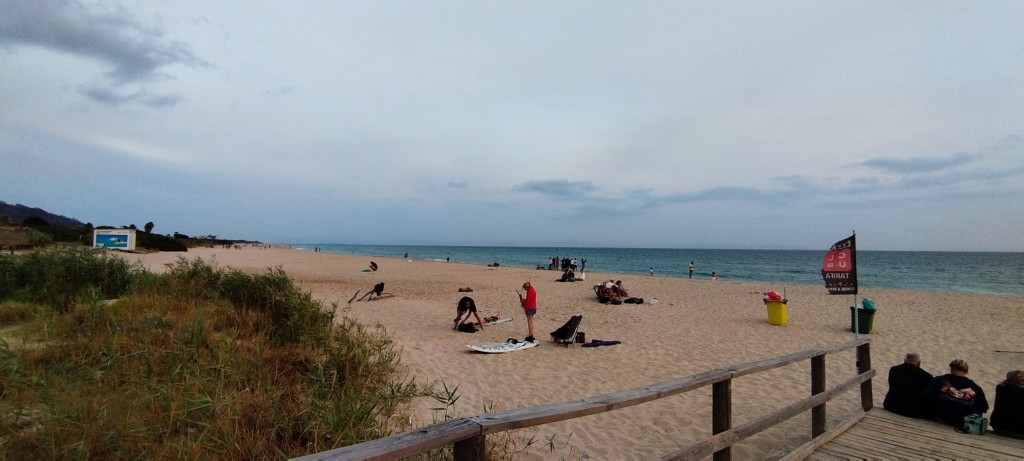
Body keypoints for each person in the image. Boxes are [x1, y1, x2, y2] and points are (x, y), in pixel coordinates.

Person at [923, 359, 989, 427]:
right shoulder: (976, 388)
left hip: (941, 417)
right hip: (963, 422)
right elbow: (984, 408)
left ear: (951, 368)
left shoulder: (939, 380)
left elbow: (926, 396)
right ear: (966, 372)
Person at [882, 353, 934, 419]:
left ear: (904, 361)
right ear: (919, 363)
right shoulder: (927, 377)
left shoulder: (894, 370)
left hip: (891, 406)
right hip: (912, 412)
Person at [990, 370, 1024, 438]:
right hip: (1018, 430)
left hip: (997, 426)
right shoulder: (1021, 392)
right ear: (1021, 380)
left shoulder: (1001, 387)